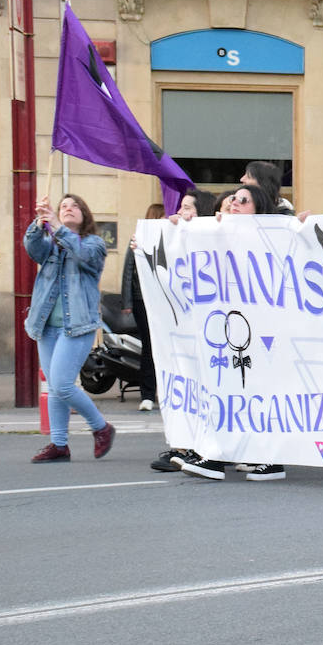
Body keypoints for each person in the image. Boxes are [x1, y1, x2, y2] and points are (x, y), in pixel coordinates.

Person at [179, 184, 284, 480]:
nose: (234, 205)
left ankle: (271, 459)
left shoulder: (272, 239)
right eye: (233, 200)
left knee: (259, 394)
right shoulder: (221, 236)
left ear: (259, 208)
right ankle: (226, 454)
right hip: (233, 331)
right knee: (233, 394)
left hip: (262, 334)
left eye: (243, 201)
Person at [24, 194, 116, 464]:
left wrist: (57, 225)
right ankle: (59, 444)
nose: (67, 209)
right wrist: (38, 223)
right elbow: (32, 248)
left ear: (84, 214)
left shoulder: (94, 244)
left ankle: (101, 428)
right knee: (54, 387)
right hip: (47, 326)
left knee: (63, 384)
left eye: (74, 206)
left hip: (77, 325)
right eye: (63, 206)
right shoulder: (50, 244)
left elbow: (82, 254)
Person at [150, 189, 216, 473]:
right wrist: (145, 247)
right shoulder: (176, 241)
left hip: (207, 331)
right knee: (187, 386)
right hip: (183, 331)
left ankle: (199, 447)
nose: (182, 213)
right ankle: (183, 445)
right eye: (181, 208)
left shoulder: (212, 240)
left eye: (189, 208)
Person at [122, 202, 166, 412]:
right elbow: (128, 271)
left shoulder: (172, 239)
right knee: (150, 347)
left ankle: (159, 391)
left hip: (164, 301)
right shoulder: (138, 240)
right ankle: (147, 393)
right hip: (143, 301)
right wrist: (127, 302)